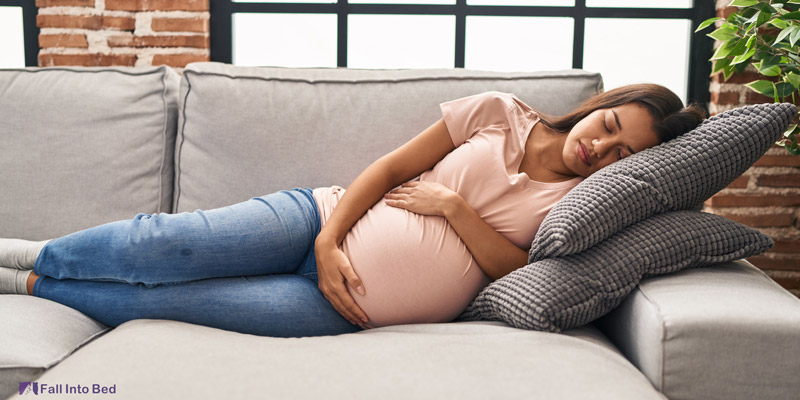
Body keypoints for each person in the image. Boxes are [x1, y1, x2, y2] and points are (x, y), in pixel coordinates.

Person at [0, 84, 706, 338]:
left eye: (622, 155)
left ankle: (26, 286)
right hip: (315, 221)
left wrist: (457, 208)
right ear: (599, 109)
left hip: (339, 311)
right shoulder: (500, 113)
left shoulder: (583, 203)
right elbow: (392, 169)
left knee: (164, 304)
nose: (600, 152)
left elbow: (516, 268)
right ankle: (36, 252)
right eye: (609, 129)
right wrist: (332, 240)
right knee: (164, 246)